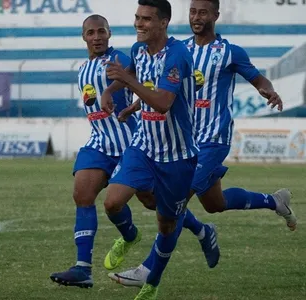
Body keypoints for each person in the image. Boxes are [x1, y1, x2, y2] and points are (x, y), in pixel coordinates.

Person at [108, 0, 298, 288]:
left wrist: (268, 91)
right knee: (214, 203)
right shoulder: (177, 49)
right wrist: (134, 107)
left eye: (203, 12)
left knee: (179, 202)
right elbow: (159, 88)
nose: (196, 17)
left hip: (211, 139)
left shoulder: (229, 53)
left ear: (215, 16)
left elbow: (257, 78)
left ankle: (149, 271)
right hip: (181, 137)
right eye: (193, 12)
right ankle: (273, 201)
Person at [99, 0, 208, 298]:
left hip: (177, 156)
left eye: (146, 19)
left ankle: (152, 280)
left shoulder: (177, 55)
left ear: (164, 22)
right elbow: (132, 75)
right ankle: (130, 238)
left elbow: (162, 103)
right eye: (137, 17)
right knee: (112, 202)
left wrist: (126, 80)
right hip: (144, 146)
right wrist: (110, 92)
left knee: (167, 221)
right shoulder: (138, 50)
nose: (139, 23)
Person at [48, 14, 140, 289]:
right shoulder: (82, 70)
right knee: (82, 194)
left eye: (102, 31)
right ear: (84, 37)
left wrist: (111, 90)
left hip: (130, 142)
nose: (97, 36)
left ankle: (195, 229)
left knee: (151, 201)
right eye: (91, 32)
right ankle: (82, 269)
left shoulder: (120, 59)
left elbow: (129, 76)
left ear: (109, 33)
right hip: (99, 141)